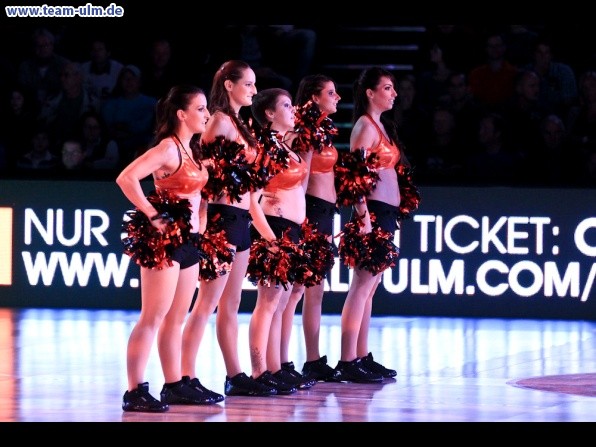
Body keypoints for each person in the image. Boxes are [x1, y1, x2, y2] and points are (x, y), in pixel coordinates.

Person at [117, 84, 218, 413]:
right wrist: (152, 214)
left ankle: (174, 385)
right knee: (152, 317)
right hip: (165, 241)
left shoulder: (193, 149)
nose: (206, 114)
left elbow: (199, 195)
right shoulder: (168, 148)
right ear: (181, 114)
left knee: (176, 318)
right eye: (200, 109)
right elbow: (127, 178)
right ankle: (135, 391)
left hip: (189, 241)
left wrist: (201, 226)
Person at [180, 60, 278, 397]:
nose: (254, 90)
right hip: (220, 220)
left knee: (231, 304)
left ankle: (235, 375)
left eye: (254, 84)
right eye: (248, 84)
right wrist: (200, 225)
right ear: (228, 86)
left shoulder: (243, 123)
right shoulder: (219, 121)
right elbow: (203, 171)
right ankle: (185, 377)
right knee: (206, 304)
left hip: (241, 222)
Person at [334, 67, 401, 383]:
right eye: (387, 88)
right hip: (370, 214)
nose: (394, 93)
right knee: (360, 287)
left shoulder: (381, 126)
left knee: (370, 288)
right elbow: (354, 175)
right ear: (370, 93)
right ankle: (348, 359)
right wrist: (362, 218)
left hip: (385, 214)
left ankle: (361, 355)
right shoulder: (364, 125)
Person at [283, 74, 343, 383]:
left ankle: (313, 359)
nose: (338, 97)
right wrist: (300, 218)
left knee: (313, 291)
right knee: (295, 291)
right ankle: (282, 361)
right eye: (331, 93)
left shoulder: (321, 130)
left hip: (325, 213)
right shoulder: (304, 131)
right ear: (314, 98)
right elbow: (301, 177)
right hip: (310, 213)